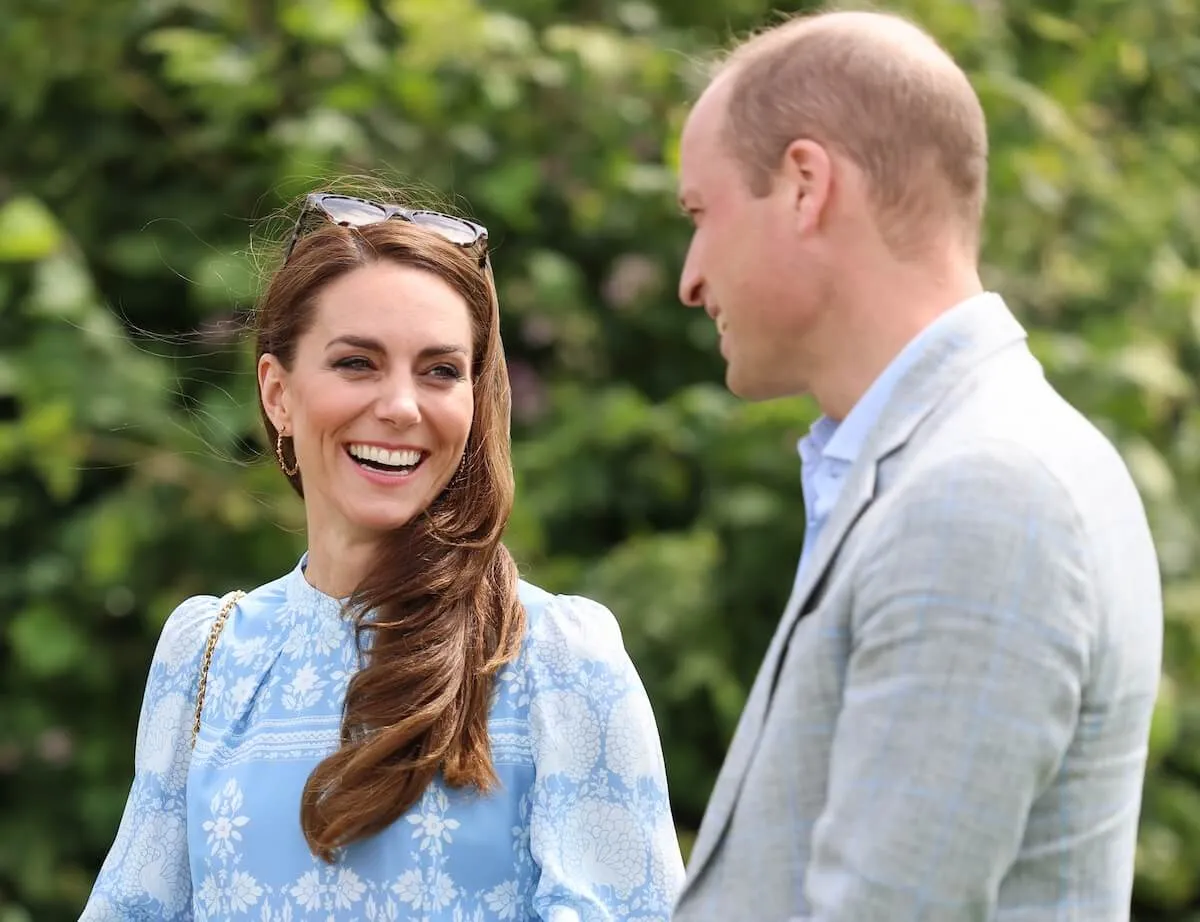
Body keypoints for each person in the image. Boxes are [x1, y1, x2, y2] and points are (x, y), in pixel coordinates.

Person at [672, 9, 1162, 922]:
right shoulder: (954, 464)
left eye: (701, 215)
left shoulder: (984, 493)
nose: (689, 278)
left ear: (805, 185)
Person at [82, 190, 685, 921]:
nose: (402, 405)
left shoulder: (555, 659)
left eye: (439, 371)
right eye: (358, 363)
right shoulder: (204, 657)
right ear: (278, 393)